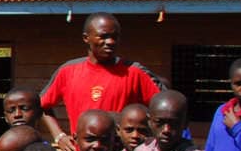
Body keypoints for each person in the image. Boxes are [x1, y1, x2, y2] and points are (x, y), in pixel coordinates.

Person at [39, 12, 162, 142]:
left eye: (115, 37)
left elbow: (164, 109)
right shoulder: (68, 71)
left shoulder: (134, 72)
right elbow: (41, 105)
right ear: (86, 38)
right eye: (103, 36)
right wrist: (59, 136)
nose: (110, 42)